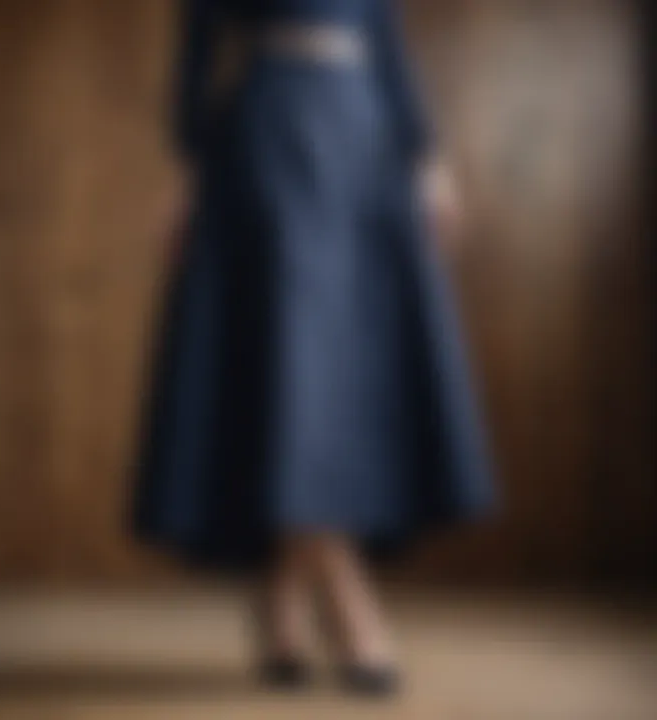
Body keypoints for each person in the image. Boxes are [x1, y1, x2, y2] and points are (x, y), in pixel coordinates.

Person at [133, 0, 495, 697]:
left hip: (366, 139)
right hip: (267, 139)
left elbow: (389, 44)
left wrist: (428, 158)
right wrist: (187, 169)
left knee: (341, 379)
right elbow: (198, 51)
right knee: (290, 369)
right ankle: (349, 602)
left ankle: (282, 596)